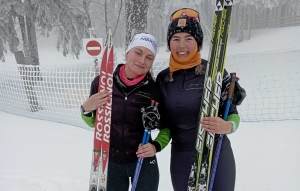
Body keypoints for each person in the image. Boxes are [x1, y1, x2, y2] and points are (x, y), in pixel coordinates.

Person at [150, 8, 241, 191]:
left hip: (216, 150)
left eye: (188, 39)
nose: (182, 45)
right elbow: (165, 125)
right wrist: (156, 143)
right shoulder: (163, 79)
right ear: (169, 43)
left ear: (197, 42)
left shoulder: (214, 71)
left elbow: (232, 115)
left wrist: (228, 126)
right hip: (182, 153)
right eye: (176, 39)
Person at [81, 32, 160, 191]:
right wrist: (86, 109)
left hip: (143, 161)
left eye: (149, 57)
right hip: (110, 161)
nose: (142, 60)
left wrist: (155, 146)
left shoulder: (154, 89)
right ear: (127, 52)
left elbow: (167, 128)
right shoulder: (102, 82)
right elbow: (94, 123)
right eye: (138, 52)